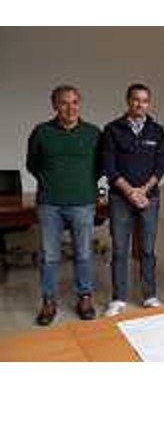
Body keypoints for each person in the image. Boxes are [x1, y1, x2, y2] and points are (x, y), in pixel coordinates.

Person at [26, 85, 102, 325]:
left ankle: (85, 297)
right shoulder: (41, 132)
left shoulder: (93, 133)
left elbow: (100, 166)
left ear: (80, 104)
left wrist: (82, 183)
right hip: (50, 204)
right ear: (54, 105)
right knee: (49, 256)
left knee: (83, 254)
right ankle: (49, 301)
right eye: (64, 103)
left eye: (75, 102)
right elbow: (32, 164)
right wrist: (52, 181)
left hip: (83, 202)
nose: (70, 108)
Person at [102, 83, 164, 316]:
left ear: (149, 103)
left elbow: (161, 166)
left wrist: (144, 191)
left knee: (147, 250)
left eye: (144, 100)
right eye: (136, 100)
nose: (140, 104)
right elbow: (109, 168)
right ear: (128, 101)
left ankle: (150, 295)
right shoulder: (112, 129)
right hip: (120, 199)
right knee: (120, 249)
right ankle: (118, 298)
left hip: (150, 199)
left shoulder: (157, 130)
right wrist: (131, 192)